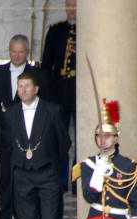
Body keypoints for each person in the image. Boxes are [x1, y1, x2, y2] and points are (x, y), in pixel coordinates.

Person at [4, 70, 70, 219]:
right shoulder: (11, 113)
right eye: (19, 86)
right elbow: (7, 146)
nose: (23, 90)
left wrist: (50, 163)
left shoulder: (52, 110)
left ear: (36, 88)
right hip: (22, 175)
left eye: (27, 86)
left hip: (47, 174)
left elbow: (63, 143)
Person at [0, 34, 36, 219]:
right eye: (13, 51)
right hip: (4, 134)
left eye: (21, 52)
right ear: (9, 51)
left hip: (28, 135)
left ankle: (25, 217)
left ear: (27, 52)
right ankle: (4, 217)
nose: (17, 56)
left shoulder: (35, 73)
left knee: (26, 175)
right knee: (5, 175)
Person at [41, 0, 76, 192]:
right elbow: (46, 66)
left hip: (80, 93)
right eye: (69, 4)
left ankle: (77, 179)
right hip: (59, 94)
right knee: (60, 139)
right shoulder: (55, 31)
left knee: (83, 138)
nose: (72, 8)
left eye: (76, 4)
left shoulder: (89, 30)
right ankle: (61, 179)